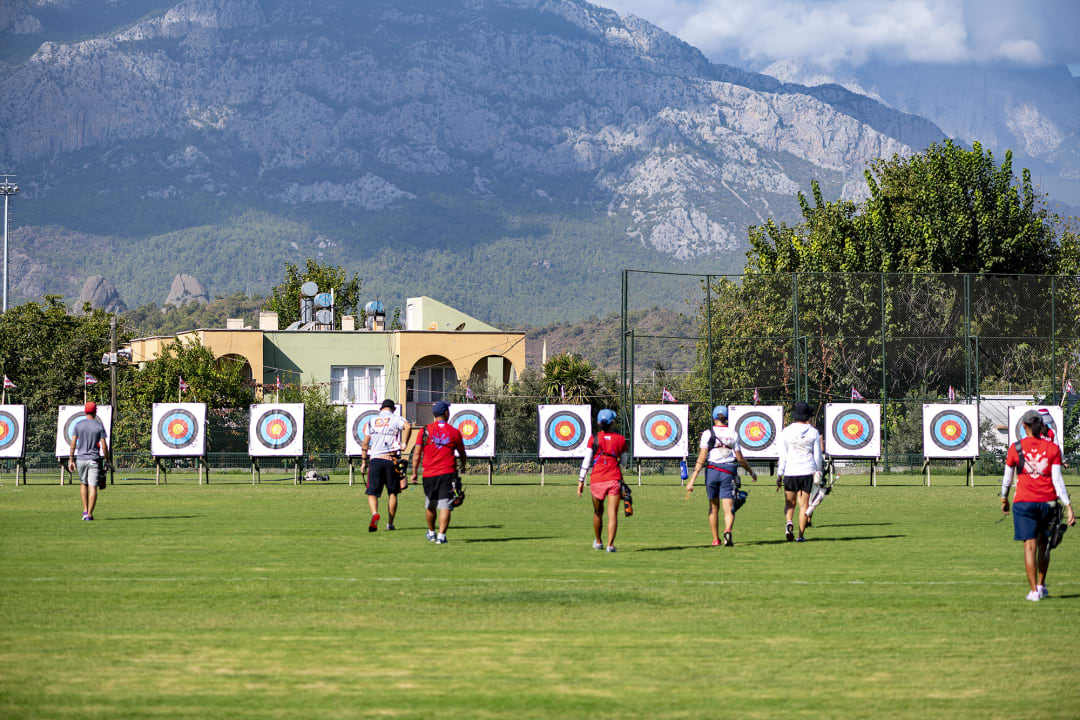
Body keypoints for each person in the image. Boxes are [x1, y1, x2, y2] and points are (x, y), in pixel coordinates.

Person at [1001, 413, 1076, 601]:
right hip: (1048, 502)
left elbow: (1007, 479)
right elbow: (1057, 480)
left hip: (1024, 502)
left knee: (1030, 546)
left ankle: (1034, 591)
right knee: (1045, 546)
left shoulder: (1015, 448)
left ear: (1024, 426)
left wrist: (1004, 498)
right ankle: (1041, 586)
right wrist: (1068, 505)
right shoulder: (1052, 448)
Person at [685, 405, 758, 546]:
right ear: (727, 418)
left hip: (712, 472)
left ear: (713, 417)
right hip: (728, 473)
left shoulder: (708, 433)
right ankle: (728, 531)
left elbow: (701, 457)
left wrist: (692, 480)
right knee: (728, 507)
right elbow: (740, 459)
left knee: (713, 507)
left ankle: (716, 540)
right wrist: (751, 472)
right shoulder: (733, 434)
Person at [410, 401, 466, 545]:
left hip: (429, 474)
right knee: (445, 505)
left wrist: (414, 472)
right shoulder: (454, 432)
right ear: (446, 413)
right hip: (447, 473)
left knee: (431, 505)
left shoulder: (425, 430)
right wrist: (463, 466)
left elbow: (417, 453)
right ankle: (441, 536)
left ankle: (431, 531)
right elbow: (462, 453)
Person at [577, 409, 628, 552]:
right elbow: (624, 462)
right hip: (614, 479)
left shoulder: (593, 439)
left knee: (598, 512)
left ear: (599, 423)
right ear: (612, 422)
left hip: (597, 480)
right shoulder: (620, 439)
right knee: (613, 514)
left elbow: (586, 461)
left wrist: (581, 481)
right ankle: (610, 545)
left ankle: (598, 542)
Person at [360, 399, 412, 532]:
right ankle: (390, 523)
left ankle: (374, 513)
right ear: (392, 409)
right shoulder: (395, 418)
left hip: (376, 460)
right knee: (393, 493)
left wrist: (364, 462)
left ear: (381, 409)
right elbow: (408, 427)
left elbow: (365, 443)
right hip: (391, 460)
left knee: (372, 492)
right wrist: (404, 444)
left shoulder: (371, 421)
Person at [776, 401, 823, 542]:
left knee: (789, 503)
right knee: (804, 506)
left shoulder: (786, 432)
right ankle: (800, 536)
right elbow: (817, 456)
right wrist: (818, 471)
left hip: (790, 471)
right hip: (807, 471)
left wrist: (779, 474)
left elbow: (783, 455)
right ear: (807, 416)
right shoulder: (813, 432)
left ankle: (789, 522)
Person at [68, 401, 110, 521]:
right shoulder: (99, 426)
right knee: (93, 486)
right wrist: (107, 460)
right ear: (95, 411)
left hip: (80, 459)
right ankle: (89, 515)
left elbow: (73, 444)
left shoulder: (78, 425)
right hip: (93, 460)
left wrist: (71, 460)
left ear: (85, 411)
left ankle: (85, 510)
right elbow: (104, 446)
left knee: (83, 483)